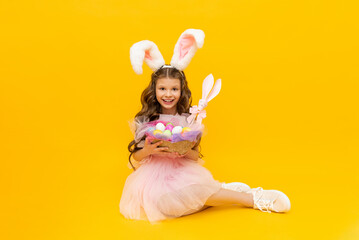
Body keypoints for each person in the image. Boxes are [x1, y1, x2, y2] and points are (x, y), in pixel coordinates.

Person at [119, 29, 291, 224]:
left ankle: (252, 199)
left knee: (189, 195)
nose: (168, 94)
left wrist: (182, 150)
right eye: (162, 89)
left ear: (182, 90)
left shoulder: (188, 119)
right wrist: (148, 150)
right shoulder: (148, 119)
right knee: (165, 207)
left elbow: (194, 156)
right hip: (155, 179)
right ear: (154, 90)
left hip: (182, 174)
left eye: (174, 89)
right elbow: (136, 156)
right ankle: (222, 191)